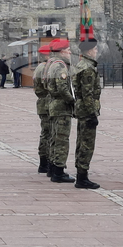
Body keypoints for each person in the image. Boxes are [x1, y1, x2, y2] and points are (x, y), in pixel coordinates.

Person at [73, 38, 101, 189]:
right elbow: (87, 93)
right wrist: (92, 113)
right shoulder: (88, 68)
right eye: (95, 49)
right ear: (89, 51)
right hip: (86, 110)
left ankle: (81, 174)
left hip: (81, 109)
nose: (96, 51)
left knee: (81, 141)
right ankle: (82, 177)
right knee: (86, 143)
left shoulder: (81, 65)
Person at [46, 38, 76, 182]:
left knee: (54, 137)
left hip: (54, 105)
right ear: (62, 51)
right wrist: (72, 101)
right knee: (62, 140)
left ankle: (53, 167)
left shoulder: (51, 64)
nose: (70, 52)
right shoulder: (60, 66)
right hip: (61, 107)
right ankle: (59, 171)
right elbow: (63, 88)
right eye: (68, 50)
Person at [32, 44, 53, 173]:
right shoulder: (45, 68)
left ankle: (43, 162)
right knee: (49, 134)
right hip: (46, 102)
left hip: (42, 102)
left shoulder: (39, 67)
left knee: (45, 133)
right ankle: (46, 162)